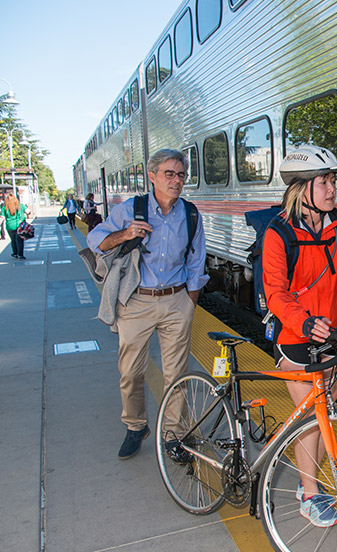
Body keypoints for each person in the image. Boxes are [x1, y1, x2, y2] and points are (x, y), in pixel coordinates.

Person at [262, 145, 337, 527]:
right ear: (301, 188)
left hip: (331, 337)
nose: (332, 189)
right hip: (296, 335)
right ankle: (309, 494)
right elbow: (276, 291)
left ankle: (310, 482)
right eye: (324, 181)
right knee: (311, 420)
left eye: (333, 180)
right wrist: (304, 322)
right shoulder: (279, 233)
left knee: (325, 417)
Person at [87, 149, 209, 459]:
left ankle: (174, 435)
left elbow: (196, 262)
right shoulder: (131, 209)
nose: (176, 180)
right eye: (169, 174)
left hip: (175, 301)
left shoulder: (190, 214)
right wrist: (125, 234)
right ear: (152, 176)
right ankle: (135, 426)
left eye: (181, 174)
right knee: (131, 372)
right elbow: (95, 240)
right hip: (137, 301)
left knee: (177, 374)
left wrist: (188, 303)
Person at [2, 193, 31, 260]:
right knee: (20, 240)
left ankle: (15, 253)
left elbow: (2, 217)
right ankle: (20, 255)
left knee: (13, 240)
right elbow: (28, 212)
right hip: (20, 225)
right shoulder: (20, 205)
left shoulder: (5, 207)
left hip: (10, 226)